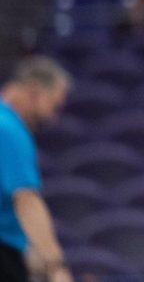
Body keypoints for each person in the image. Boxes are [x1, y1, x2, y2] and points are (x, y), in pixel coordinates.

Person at [0, 57, 73, 282]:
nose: (53, 117)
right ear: (34, 91)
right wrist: (57, 268)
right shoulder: (9, 128)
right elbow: (27, 201)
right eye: (54, 105)